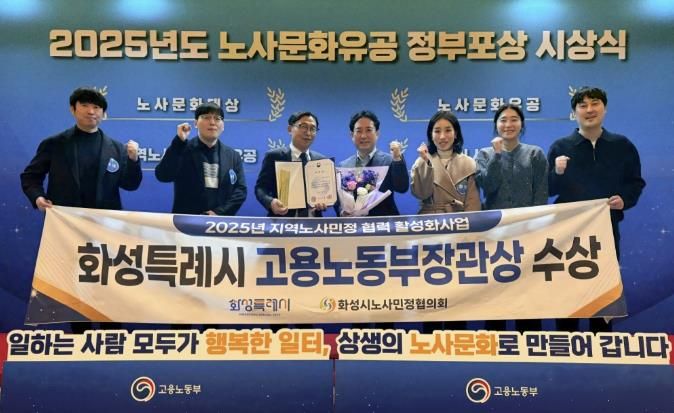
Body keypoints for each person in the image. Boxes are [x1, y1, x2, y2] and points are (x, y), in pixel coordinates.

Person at [20, 86, 142, 333]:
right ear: (73, 109)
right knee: (75, 287)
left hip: (106, 231)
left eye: (97, 107)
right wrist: (38, 198)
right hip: (68, 230)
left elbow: (130, 184)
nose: (91, 111)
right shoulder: (55, 144)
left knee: (109, 285)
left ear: (104, 114)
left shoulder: (116, 148)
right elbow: (30, 177)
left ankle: (112, 338)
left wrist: (133, 160)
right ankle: (80, 339)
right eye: (85, 105)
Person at [548, 86, 645, 332]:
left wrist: (624, 200)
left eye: (595, 104)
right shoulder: (561, 146)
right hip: (568, 232)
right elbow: (548, 189)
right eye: (583, 105)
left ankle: (602, 343)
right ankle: (566, 342)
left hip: (606, 230)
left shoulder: (622, 145)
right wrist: (557, 172)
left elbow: (635, 183)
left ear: (605, 108)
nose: (589, 110)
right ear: (574, 112)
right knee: (567, 291)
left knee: (603, 292)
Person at [476, 104, 548, 332]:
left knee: (527, 293)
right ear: (496, 125)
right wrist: (497, 155)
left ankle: (529, 342)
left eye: (514, 119)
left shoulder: (535, 153)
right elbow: (488, 186)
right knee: (496, 293)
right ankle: (495, 341)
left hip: (527, 233)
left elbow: (541, 193)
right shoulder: (484, 154)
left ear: (522, 124)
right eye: (503, 120)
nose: (508, 124)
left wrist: (535, 227)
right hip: (495, 235)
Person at [411, 110, 480, 333]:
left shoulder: (468, 163)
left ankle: (456, 338)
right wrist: (426, 164)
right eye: (437, 131)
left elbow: (472, 202)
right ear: (430, 135)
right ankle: (430, 339)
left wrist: (470, 233)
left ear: (456, 133)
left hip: (459, 230)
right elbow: (420, 193)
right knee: (431, 289)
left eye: (448, 130)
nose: (442, 136)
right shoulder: (421, 161)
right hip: (430, 230)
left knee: (457, 291)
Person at [155, 102, 246, 216]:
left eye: (217, 118)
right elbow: (163, 176)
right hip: (186, 221)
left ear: (223, 126)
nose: (212, 122)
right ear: (195, 123)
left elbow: (240, 191)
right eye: (206, 117)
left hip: (221, 222)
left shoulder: (232, 155)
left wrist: (219, 212)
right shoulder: (182, 149)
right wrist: (179, 142)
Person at [255, 111, 329, 217]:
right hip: (282, 222)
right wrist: (270, 202)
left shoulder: (321, 161)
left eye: (313, 129)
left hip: (313, 222)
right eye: (303, 127)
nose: (308, 133)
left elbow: (325, 193)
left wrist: (324, 202)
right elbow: (261, 188)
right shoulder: (274, 156)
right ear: (290, 129)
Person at [338, 110, 409, 216]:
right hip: (354, 224)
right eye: (359, 131)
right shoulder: (343, 166)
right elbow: (339, 201)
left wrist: (397, 158)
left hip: (384, 223)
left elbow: (402, 187)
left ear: (377, 133)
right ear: (352, 135)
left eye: (368, 130)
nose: (363, 136)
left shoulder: (390, 161)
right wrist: (342, 211)